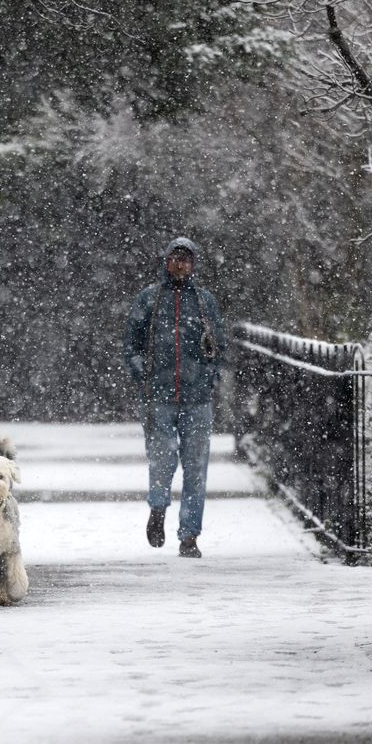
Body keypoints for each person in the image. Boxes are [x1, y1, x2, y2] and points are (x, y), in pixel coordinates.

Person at [123, 236, 227, 558]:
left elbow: (218, 345)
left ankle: (189, 535)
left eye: (186, 259)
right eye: (175, 258)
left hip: (197, 398)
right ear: (166, 261)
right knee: (162, 460)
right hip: (159, 397)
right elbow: (132, 345)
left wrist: (210, 377)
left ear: (193, 264)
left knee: (196, 468)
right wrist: (144, 375)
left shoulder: (205, 301)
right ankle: (158, 509)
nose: (180, 264)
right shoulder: (149, 300)